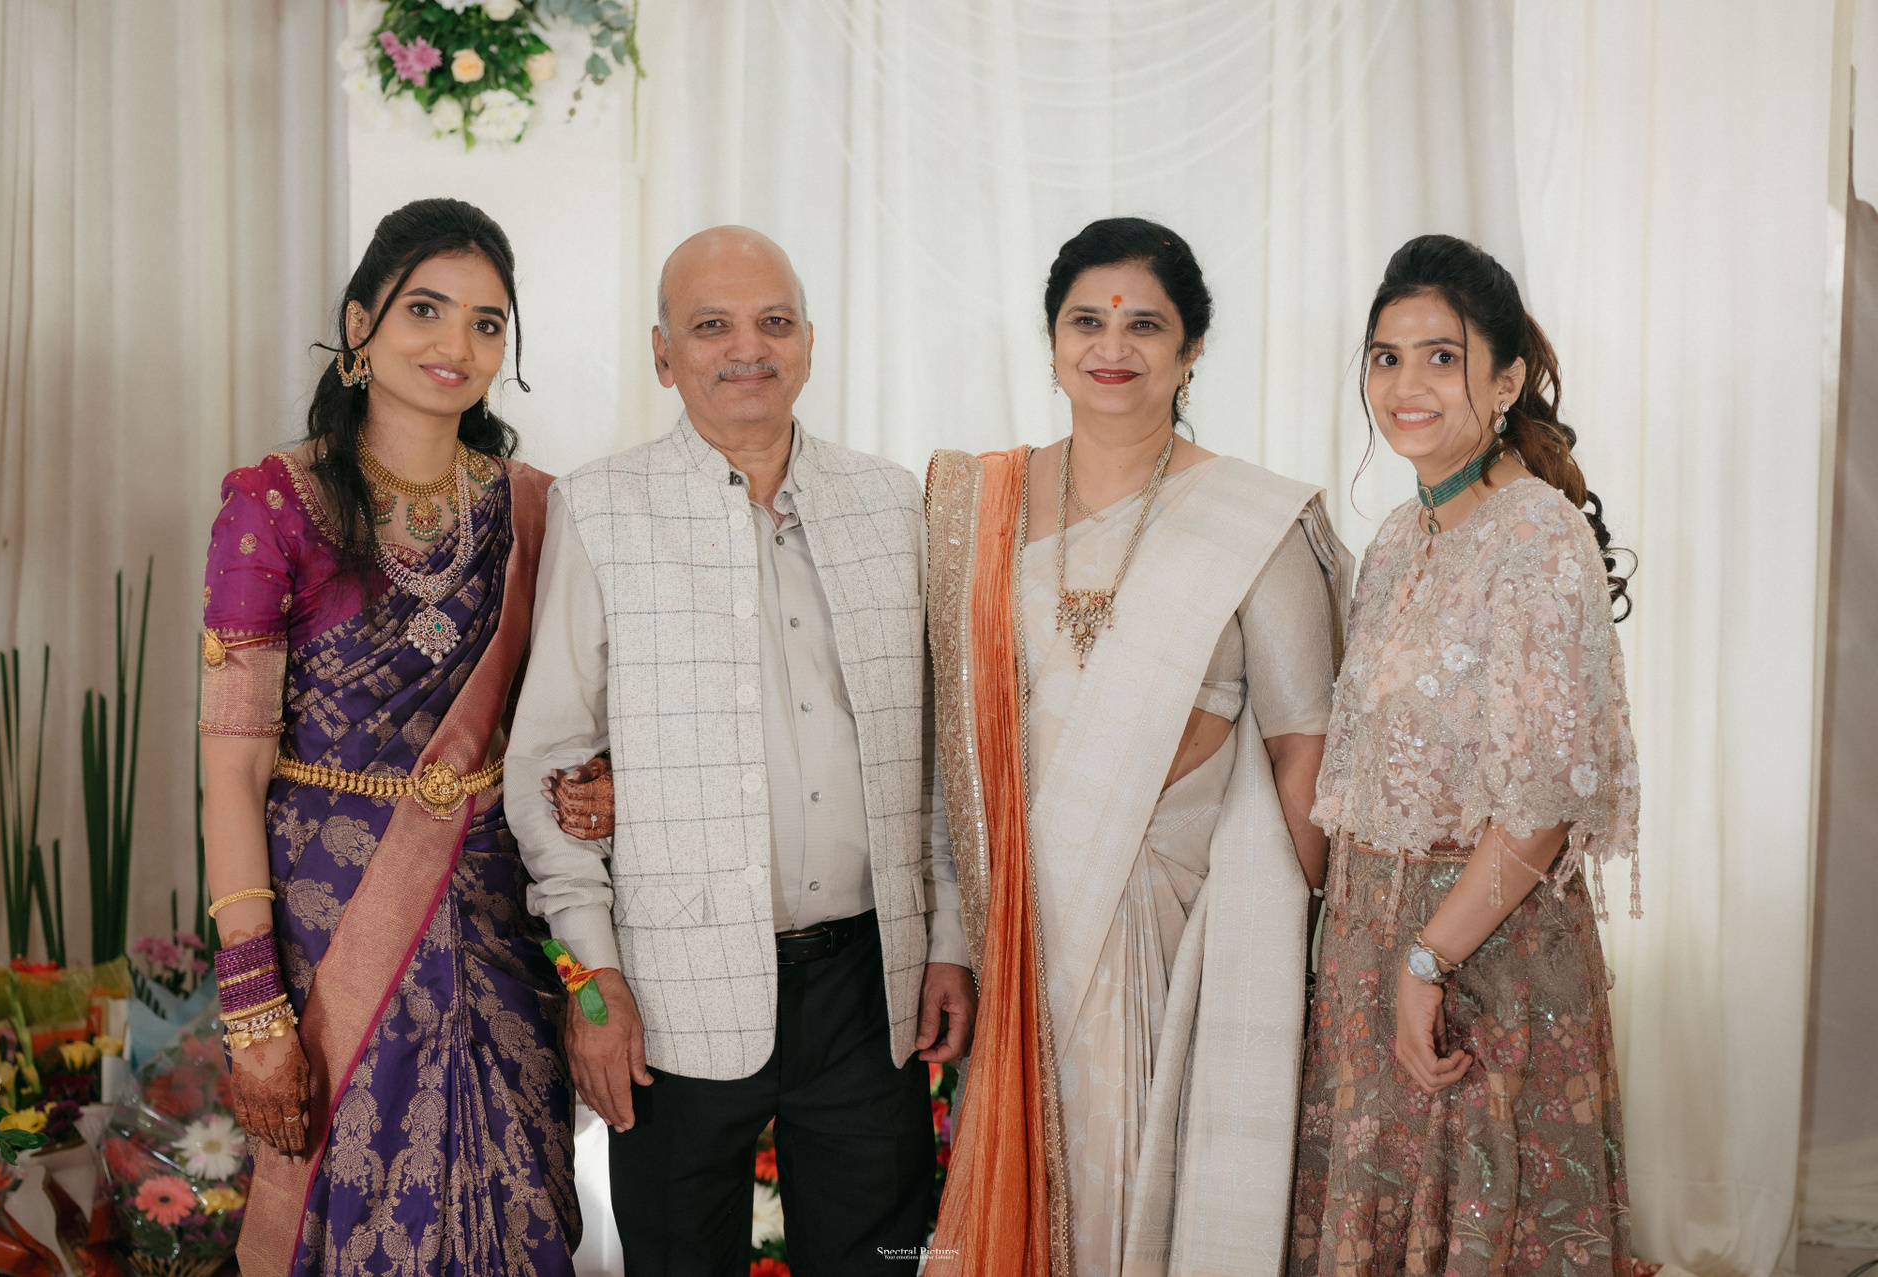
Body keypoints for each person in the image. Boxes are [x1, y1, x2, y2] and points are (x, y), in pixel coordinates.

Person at [502, 225, 977, 1276]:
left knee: (880, 1262)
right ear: (663, 353)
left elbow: (940, 753)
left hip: (870, 983)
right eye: (712, 325)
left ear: (809, 341)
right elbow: (546, 768)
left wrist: (950, 936)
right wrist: (594, 981)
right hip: (669, 986)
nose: (747, 348)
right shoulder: (601, 507)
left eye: (773, 321)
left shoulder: (895, 502)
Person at [923, 217, 1352, 1276]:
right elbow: (950, 749)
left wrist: (1296, 953)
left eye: (1146, 325)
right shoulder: (978, 505)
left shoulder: (1252, 517)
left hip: (1181, 916)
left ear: (1191, 348)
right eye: (1087, 321)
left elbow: (1305, 744)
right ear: (1052, 341)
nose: (1112, 345)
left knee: (1147, 1199)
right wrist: (955, 934)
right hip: (1023, 916)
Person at [198, 198, 577, 1275]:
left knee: (516, 1205)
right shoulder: (272, 506)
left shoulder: (536, 512)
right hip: (331, 924)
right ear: (359, 323)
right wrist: (252, 1006)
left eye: (488, 323)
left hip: (496, 919)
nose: (457, 343)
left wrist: (591, 784)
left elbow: (561, 723)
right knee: (354, 1213)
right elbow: (232, 768)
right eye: (425, 309)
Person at [1291, 234, 1640, 1274]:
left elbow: (1544, 804)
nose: (1407, 384)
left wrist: (1426, 959)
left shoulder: (1537, 534)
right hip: (1374, 953)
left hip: (1480, 959)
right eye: (1386, 356)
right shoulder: (1398, 538)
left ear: (1507, 379)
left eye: (1441, 356)